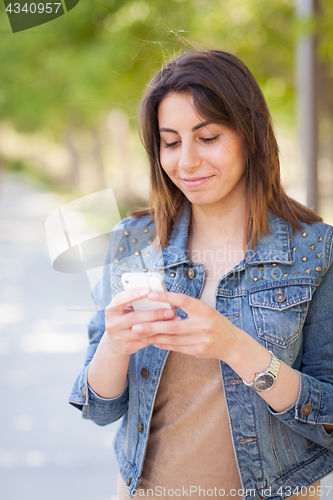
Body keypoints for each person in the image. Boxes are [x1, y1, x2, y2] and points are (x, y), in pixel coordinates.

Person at [69, 50, 333, 500]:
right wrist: (114, 344)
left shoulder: (314, 249)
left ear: (249, 134)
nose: (186, 162)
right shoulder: (133, 241)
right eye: (171, 142)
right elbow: (96, 407)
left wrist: (233, 346)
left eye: (207, 137)